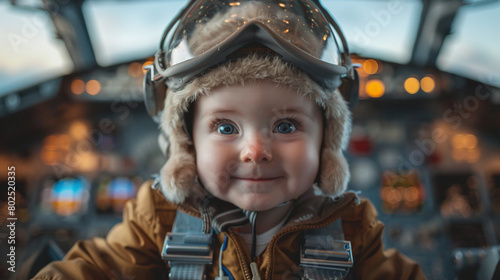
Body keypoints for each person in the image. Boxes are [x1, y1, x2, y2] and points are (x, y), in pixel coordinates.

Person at [33, 0, 426, 279]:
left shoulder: (353, 228)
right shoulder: (157, 221)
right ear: (186, 144)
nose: (255, 152)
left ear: (327, 144)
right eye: (225, 128)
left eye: (286, 126)